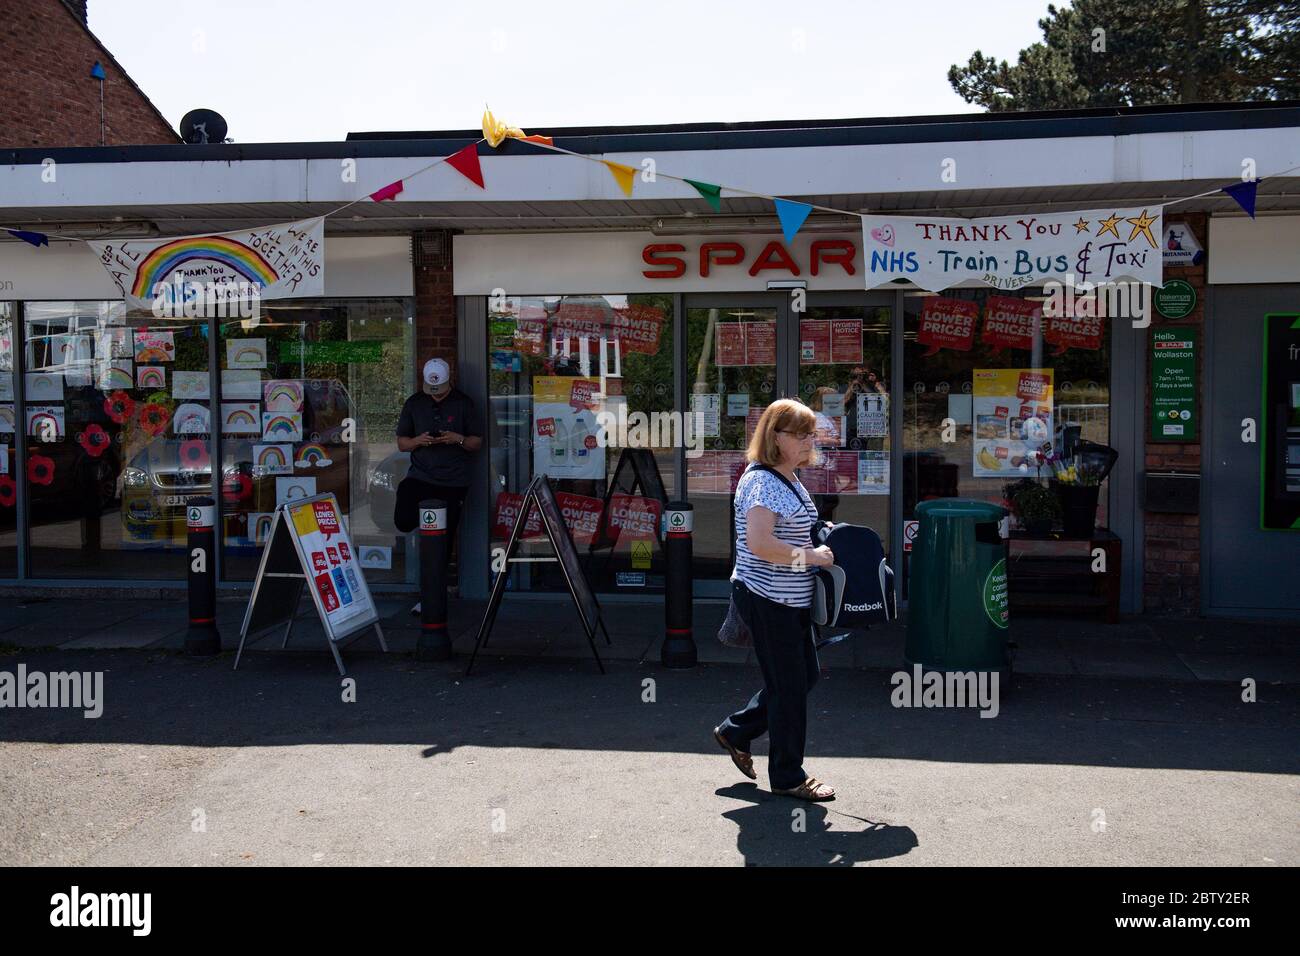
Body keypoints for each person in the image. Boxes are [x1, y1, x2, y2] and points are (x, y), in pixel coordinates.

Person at [713, 398, 837, 802]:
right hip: (769, 599)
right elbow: (761, 543)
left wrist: (823, 531)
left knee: (802, 679)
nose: (808, 441)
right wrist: (812, 557)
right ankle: (788, 777)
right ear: (774, 436)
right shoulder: (763, 482)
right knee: (789, 688)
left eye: (811, 433)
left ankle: (737, 731)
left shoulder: (788, 474)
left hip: (790, 599)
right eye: (799, 434)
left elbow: (796, 525)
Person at [395, 357, 482, 610]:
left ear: (449, 381)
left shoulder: (463, 403)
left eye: (440, 392)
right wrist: (419, 441)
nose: (436, 396)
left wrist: (457, 438)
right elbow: (402, 443)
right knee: (404, 516)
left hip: (453, 481)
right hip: (421, 476)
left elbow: (477, 443)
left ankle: (431, 598)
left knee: (442, 540)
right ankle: (429, 594)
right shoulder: (414, 403)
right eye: (432, 391)